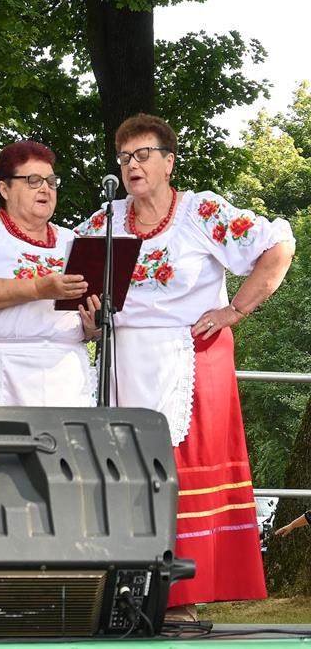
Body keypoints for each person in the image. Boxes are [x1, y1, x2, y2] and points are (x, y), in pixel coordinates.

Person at [75, 113, 296, 621]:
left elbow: (278, 246)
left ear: (169, 162)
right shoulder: (104, 221)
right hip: (123, 361)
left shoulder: (202, 211)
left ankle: (180, 600)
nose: (132, 165)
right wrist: (88, 322)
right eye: (124, 157)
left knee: (183, 473)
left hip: (193, 359)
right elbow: (76, 290)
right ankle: (124, 592)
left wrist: (235, 309)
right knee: (124, 470)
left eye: (143, 154)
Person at [0, 140, 94, 406]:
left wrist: (91, 326)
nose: (45, 188)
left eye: (51, 181)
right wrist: (38, 289)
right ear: (5, 188)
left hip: (63, 378)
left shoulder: (73, 240)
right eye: (33, 180)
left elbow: (84, 312)